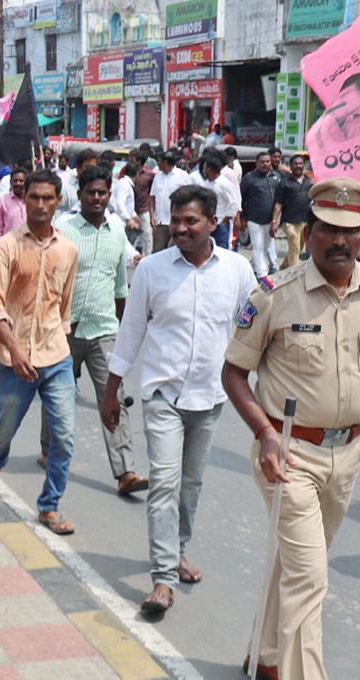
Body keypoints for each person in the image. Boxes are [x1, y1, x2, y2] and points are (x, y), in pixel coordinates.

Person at [222, 177, 360, 680]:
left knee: (300, 559)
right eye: (327, 227)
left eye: (350, 231)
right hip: (288, 456)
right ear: (309, 230)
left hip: (350, 454)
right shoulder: (275, 293)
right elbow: (234, 373)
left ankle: (267, 651)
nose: (338, 241)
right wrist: (263, 435)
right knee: (310, 577)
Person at [103, 184, 256, 615]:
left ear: (213, 222)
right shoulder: (152, 270)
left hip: (210, 396)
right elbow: (130, 331)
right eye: (176, 220)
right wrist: (111, 391)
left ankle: (178, 549)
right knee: (165, 484)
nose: (181, 228)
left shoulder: (237, 270)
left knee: (190, 486)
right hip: (161, 394)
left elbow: (253, 328)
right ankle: (163, 579)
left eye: (191, 221)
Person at [0, 170, 79, 535]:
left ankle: (49, 505)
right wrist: (16, 351)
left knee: (64, 435)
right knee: (4, 430)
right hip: (12, 358)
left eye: (47, 198)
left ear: (58, 201)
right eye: (33, 197)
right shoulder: (6, 247)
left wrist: (60, 344)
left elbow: (63, 308)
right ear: (25, 198)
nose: (39, 204)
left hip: (55, 354)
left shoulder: (68, 250)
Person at [47, 165, 147, 497]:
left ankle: (125, 472)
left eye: (102, 192)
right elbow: (48, 280)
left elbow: (120, 284)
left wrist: (122, 329)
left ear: (108, 194)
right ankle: (48, 446)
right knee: (58, 395)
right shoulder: (63, 228)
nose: (96, 197)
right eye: (90, 192)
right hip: (65, 330)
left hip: (104, 329)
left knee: (113, 398)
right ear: (80, 195)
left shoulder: (117, 230)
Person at [239, 152, 280, 279]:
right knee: (257, 245)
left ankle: (254, 266)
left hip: (271, 220)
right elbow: (241, 197)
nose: (265, 164)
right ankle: (263, 276)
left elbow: (281, 199)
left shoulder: (277, 177)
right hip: (254, 219)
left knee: (265, 246)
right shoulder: (249, 178)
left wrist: (276, 220)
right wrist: (242, 217)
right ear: (256, 163)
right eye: (262, 162)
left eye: (268, 161)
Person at [273, 154, 313, 270]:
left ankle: (284, 267)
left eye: (300, 164)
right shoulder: (284, 183)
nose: (298, 166)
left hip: (304, 221)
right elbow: (278, 204)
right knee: (295, 248)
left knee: (298, 248)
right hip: (289, 222)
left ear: (303, 165)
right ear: (291, 166)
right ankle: (293, 274)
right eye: (295, 164)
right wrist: (274, 221)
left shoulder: (309, 182)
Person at [196, 151, 240, 249]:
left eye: (204, 167)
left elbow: (233, 203)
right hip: (207, 223)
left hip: (221, 224)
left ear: (210, 169)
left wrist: (225, 219)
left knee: (222, 248)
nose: (203, 170)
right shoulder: (206, 183)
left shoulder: (224, 184)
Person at [148, 151, 189, 253]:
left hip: (176, 221)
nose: (157, 164)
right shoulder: (158, 177)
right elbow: (152, 197)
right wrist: (152, 216)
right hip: (160, 222)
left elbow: (190, 197)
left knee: (174, 251)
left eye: (159, 161)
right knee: (158, 251)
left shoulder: (182, 176)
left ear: (165, 162)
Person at [0, 168, 28, 243]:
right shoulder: (2, 200)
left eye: (21, 181)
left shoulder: (33, 200)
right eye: (15, 181)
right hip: (9, 247)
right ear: (10, 182)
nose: (18, 183)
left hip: (29, 247)